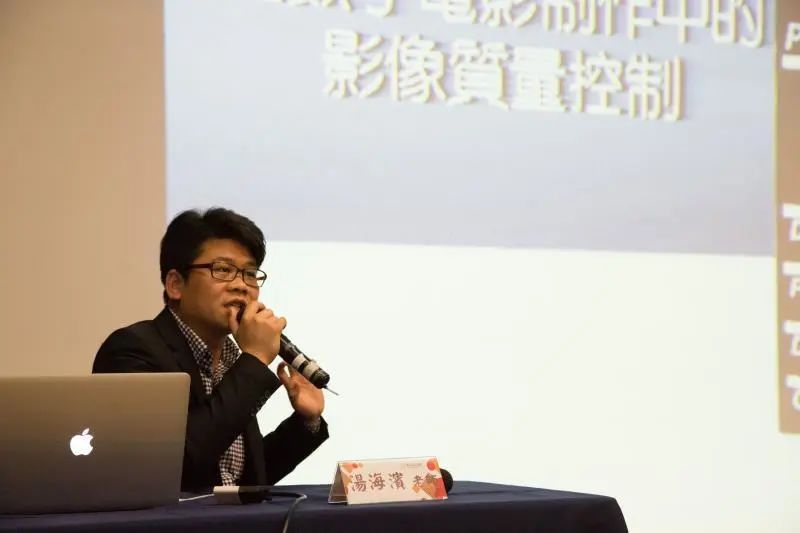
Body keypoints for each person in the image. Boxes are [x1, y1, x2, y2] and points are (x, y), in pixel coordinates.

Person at [93, 207, 328, 491]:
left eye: (250, 273)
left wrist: (306, 421)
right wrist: (254, 360)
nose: (241, 286)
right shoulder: (132, 350)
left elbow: (239, 478)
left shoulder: (231, 360)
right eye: (223, 270)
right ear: (176, 284)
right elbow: (180, 463)